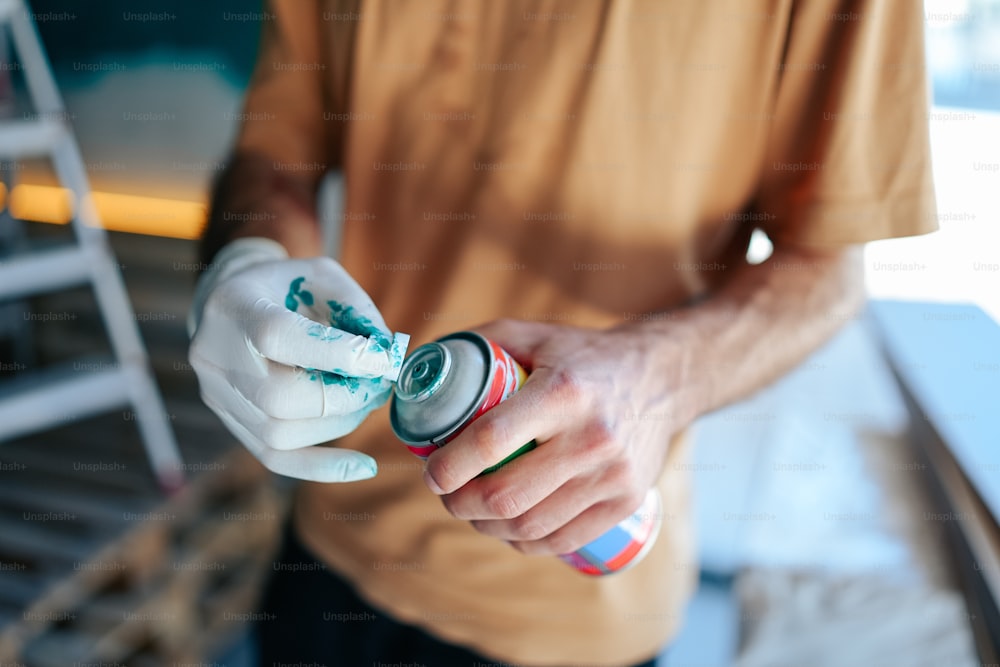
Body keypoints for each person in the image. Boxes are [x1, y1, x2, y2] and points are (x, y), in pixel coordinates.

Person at [188, 1, 937, 665]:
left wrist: (655, 377)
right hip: (329, 547)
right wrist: (248, 258)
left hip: (567, 615)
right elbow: (272, 153)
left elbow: (830, 269)